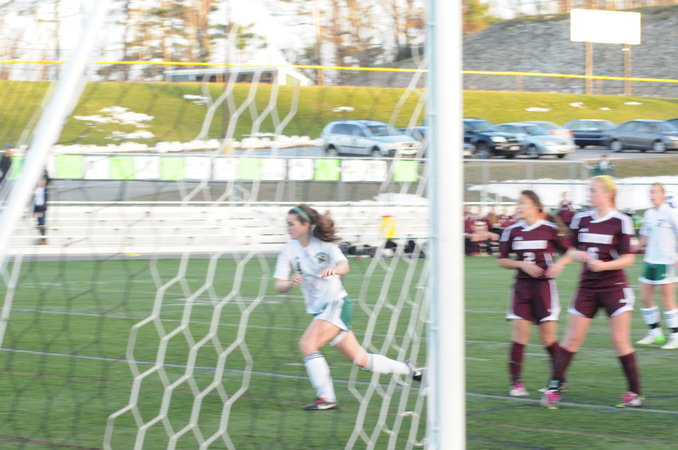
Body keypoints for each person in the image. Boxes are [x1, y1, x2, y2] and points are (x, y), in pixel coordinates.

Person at [273, 204, 421, 410]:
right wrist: (290, 283)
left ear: (305, 225)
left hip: (337, 304)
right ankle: (409, 369)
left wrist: (334, 270)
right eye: (287, 224)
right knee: (362, 360)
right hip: (321, 311)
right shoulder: (289, 250)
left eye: (292, 224)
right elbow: (278, 284)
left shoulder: (324, 245)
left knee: (307, 345)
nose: (288, 228)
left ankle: (326, 398)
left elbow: (344, 265)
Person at [542, 175, 641, 409]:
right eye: (589, 190)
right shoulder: (581, 218)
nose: (590, 194)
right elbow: (571, 248)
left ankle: (634, 393)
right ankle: (554, 387)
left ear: (608, 194)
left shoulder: (621, 221)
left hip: (614, 287)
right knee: (571, 339)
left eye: (594, 190)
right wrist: (567, 260)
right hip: (587, 286)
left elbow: (628, 259)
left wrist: (604, 266)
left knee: (620, 341)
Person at [498, 190, 571, 397]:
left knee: (548, 339)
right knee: (519, 336)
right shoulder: (511, 231)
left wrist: (559, 265)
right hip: (522, 288)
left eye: (523, 203)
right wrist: (521, 264)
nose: (519, 206)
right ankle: (516, 383)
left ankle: (559, 379)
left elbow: (570, 252)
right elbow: (502, 260)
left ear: (535, 206)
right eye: (518, 202)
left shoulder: (550, 229)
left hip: (544, 288)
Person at [635, 183, 678, 349]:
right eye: (650, 192)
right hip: (650, 261)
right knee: (645, 298)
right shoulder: (648, 214)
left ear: (662, 195)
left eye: (654, 192)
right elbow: (644, 238)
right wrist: (631, 249)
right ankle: (655, 333)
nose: (651, 195)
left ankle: (675, 336)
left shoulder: (670, 212)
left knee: (668, 300)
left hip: (665, 261)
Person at [33, 170, 49, 245]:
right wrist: (34, 210)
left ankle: (43, 238)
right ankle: (42, 238)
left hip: (42, 208)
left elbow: (44, 199)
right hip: (37, 207)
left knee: (42, 223)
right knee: (39, 223)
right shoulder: (36, 188)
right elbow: (35, 200)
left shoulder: (44, 189)